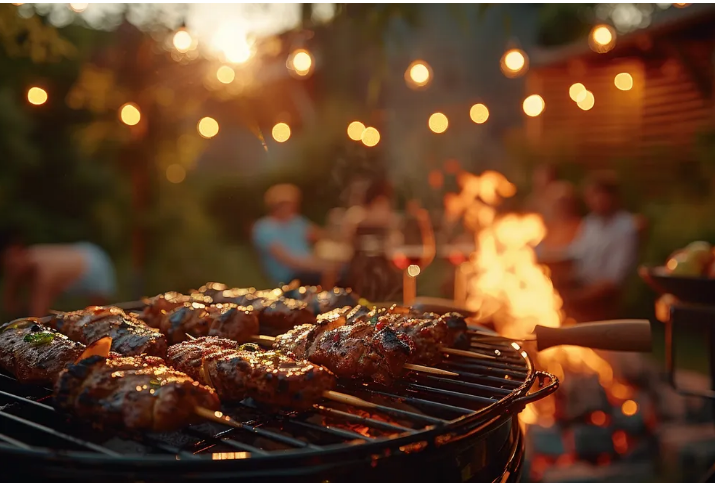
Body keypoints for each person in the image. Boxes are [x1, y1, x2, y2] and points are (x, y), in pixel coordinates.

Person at [562, 171, 639, 321]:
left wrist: (573, 298)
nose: (595, 200)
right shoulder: (590, 223)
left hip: (604, 300)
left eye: (599, 195)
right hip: (581, 286)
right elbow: (575, 255)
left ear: (613, 197)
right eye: (591, 196)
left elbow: (613, 282)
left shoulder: (625, 227)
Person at [0, 231, 116, 318]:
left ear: (19, 252)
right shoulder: (25, 258)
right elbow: (8, 305)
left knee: (98, 316)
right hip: (80, 251)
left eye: (12, 266)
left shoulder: (43, 269)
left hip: (94, 266)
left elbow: (38, 314)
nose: (12, 270)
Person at [252, 183, 327, 287]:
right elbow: (286, 259)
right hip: (289, 277)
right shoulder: (264, 227)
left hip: (308, 270)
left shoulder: (297, 222)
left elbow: (322, 236)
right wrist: (322, 266)